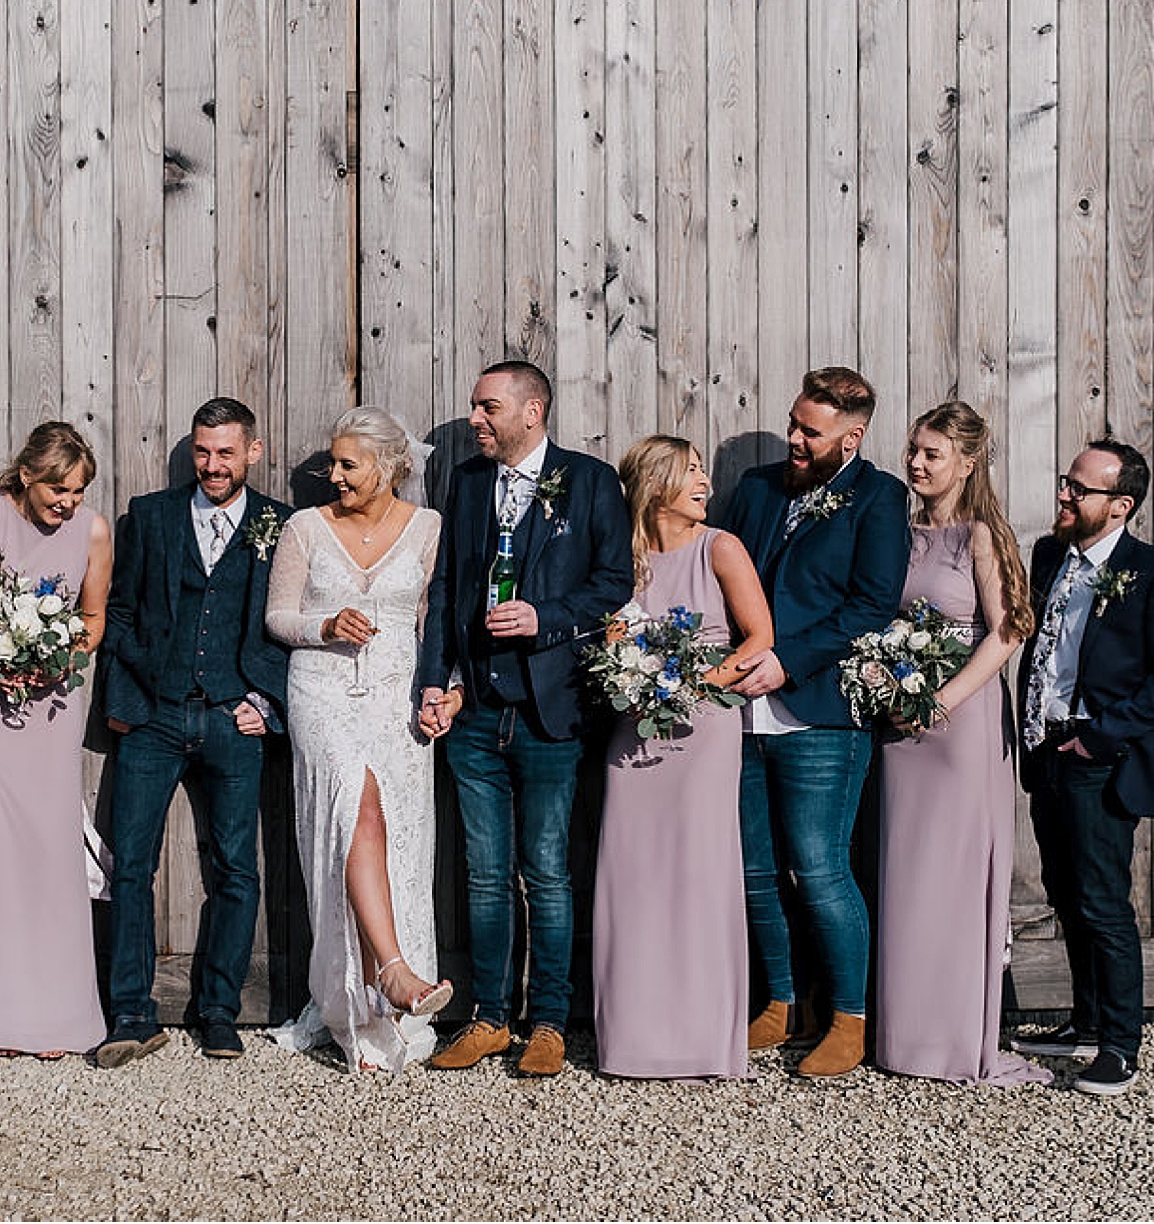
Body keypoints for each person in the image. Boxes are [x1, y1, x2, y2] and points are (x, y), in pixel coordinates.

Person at [418, 360, 633, 1078]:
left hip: (552, 710)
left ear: (531, 411)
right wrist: (433, 680)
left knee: (545, 872)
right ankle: (487, 1018)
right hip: (476, 710)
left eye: (487, 408)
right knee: (483, 874)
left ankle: (547, 1022)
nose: (475, 420)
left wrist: (545, 618)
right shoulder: (470, 482)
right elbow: (448, 586)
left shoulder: (590, 479)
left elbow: (612, 583)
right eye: (475, 408)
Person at [716, 365, 909, 1078]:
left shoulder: (879, 498)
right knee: (755, 868)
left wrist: (787, 662)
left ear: (851, 437)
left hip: (820, 710)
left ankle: (849, 1019)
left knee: (820, 869)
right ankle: (780, 1002)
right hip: (740, 710)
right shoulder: (759, 488)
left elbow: (870, 604)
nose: (794, 438)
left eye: (810, 431)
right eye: (793, 423)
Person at [92, 398, 290, 1068]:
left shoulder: (280, 524)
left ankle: (217, 1013)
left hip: (235, 718)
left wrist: (265, 703)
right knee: (130, 868)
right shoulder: (148, 516)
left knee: (236, 870)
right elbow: (119, 612)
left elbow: (290, 624)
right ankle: (130, 1012)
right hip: (153, 715)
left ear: (252, 453)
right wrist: (123, 699)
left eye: (226, 453)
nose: (212, 465)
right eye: (202, 452)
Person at [266, 407, 451, 1073]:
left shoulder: (428, 528)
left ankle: (377, 1012)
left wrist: (446, 692)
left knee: (392, 834)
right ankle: (393, 976)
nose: (334, 476)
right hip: (320, 693)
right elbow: (278, 616)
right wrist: (323, 626)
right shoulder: (304, 528)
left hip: (397, 697)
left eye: (349, 464)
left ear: (392, 467)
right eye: (332, 463)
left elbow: (440, 623)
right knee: (353, 812)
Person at [1010, 439, 1154, 1096]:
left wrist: (1099, 736)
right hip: (1044, 753)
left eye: (1078, 489)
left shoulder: (1153, 574)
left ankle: (1118, 1046)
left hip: (1098, 760)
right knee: (1064, 894)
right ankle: (1083, 1024)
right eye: (1065, 482)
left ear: (1119, 506)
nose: (1063, 494)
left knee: (1099, 901)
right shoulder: (1046, 555)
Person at [870, 402, 1048, 1087]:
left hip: (960, 725)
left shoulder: (982, 533)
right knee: (905, 872)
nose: (915, 463)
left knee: (953, 871)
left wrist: (940, 700)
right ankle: (903, 1035)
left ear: (966, 463)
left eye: (931, 453)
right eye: (913, 449)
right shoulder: (899, 531)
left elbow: (1008, 631)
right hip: (901, 724)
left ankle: (953, 1039)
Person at [592, 437, 774, 1080]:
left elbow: (760, 637)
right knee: (632, 871)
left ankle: (701, 1035)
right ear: (655, 482)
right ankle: (634, 1034)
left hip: (705, 728)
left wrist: (698, 684)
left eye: (702, 469)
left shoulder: (720, 547)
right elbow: (609, 636)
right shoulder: (624, 560)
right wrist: (629, 673)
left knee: (699, 869)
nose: (703, 480)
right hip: (633, 728)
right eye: (690, 470)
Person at [0, 422, 113, 1058]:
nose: (67, 502)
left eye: (76, 491)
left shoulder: (94, 531)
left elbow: (93, 620)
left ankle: (59, 1019)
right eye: (57, 489)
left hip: (51, 706)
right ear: (26, 475)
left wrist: (53, 653)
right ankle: (0, 1020)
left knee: (48, 854)